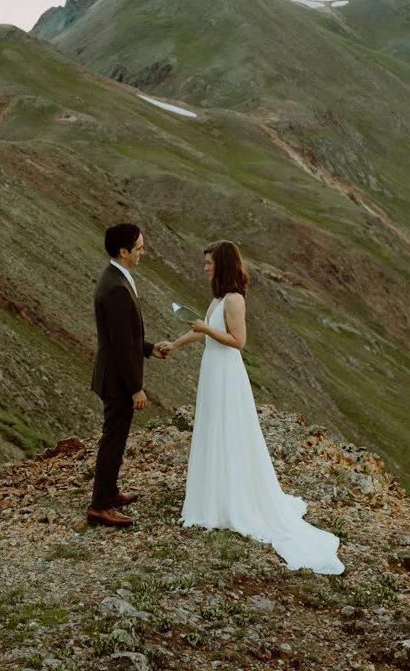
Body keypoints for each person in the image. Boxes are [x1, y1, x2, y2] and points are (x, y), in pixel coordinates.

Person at [162, 240, 343, 573]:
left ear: (223, 265)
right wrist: (174, 343)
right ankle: (213, 494)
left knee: (229, 431)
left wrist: (206, 329)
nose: (204, 268)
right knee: (212, 429)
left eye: (209, 263)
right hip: (213, 370)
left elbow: (238, 342)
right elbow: (204, 333)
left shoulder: (233, 300)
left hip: (227, 373)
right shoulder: (218, 298)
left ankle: (231, 498)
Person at [87, 222, 169, 528]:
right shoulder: (116, 288)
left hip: (113, 375)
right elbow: (120, 345)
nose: (142, 253)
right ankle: (99, 506)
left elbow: (126, 337)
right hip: (117, 381)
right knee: (113, 440)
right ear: (123, 251)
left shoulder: (116, 279)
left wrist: (149, 349)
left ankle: (109, 492)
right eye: (139, 248)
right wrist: (136, 388)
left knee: (116, 439)